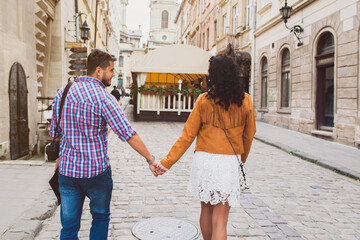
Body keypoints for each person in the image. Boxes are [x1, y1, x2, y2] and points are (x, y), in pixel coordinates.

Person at [50, 48, 166, 239]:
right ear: (98, 71)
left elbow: (56, 131)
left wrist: (62, 156)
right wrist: (150, 159)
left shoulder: (63, 93)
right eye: (111, 70)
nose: (114, 74)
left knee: (68, 227)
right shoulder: (103, 97)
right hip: (95, 172)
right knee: (100, 217)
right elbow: (128, 134)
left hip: (67, 172)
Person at [159, 54, 256, 240]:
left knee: (206, 210)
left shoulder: (204, 100)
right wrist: (241, 159)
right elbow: (249, 135)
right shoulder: (246, 101)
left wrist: (166, 162)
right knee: (220, 220)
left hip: (204, 161)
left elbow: (187, 136)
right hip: (228, 161)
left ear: (214, 76)